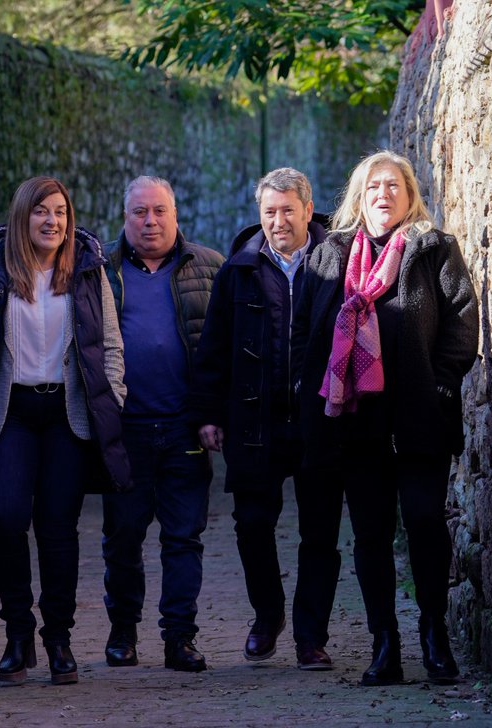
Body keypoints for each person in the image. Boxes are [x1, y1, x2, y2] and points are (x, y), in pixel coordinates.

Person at [292, 150, 479, 685]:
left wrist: (442, 382)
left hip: (420, 417)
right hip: (356, 423)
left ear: (408, 194)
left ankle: (434, 635)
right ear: (360, 195)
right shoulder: (329, 254)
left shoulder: (433, 248)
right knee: (370, 535)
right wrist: (310, 386)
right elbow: (304, 329)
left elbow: (462, 318)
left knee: (424, 523)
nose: (383, 194)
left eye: (393, 185)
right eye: (374, 186)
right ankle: (384, 645)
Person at [0, 176, 129, 687]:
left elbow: (111, 343)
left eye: (60, 211)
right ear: (22, 216)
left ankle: (58, 638)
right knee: (5, 517)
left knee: (58, 528)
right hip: (9, 411)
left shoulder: (87, 268)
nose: (52, 220)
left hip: (67, 413)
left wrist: (113, 397)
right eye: (41, 211)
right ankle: (18, 633)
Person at [192, 167, 341, 670]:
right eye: (269, 212)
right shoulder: (238, 270)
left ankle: (310, 637)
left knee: (320, 531)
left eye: (287, 211)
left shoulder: (337, 262)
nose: (279, 221)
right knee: (253, 524)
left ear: (307, 209)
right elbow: (213, 347)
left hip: (320, 419)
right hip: (254, 421)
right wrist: (208, 413)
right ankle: (268, 614)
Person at [99, 176, 223, 672]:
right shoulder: (99, 270)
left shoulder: (209, 268)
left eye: (159, 211)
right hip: (124, 430)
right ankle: (123, 632)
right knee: (123, 536)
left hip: (184, 427)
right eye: (139, 212)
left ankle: (180, 638)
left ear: (174, 214)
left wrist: (213, 413)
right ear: (125, 217)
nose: (150, 222)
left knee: (183, 537)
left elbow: (223, 349)